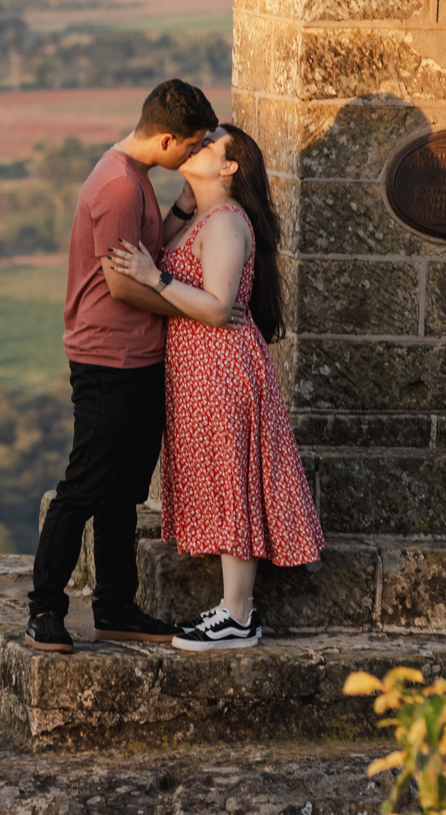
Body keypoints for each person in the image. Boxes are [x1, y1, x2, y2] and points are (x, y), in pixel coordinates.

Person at [108, 123, 324, 652]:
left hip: (223, 368)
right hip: (199, 369)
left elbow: (216, 306)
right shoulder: (203, 216)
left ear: (229, 168)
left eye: (210, 145)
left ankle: (239, 615)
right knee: (220, 474)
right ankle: (232, 610)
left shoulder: (227, 221)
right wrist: (181, 207)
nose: (196, 146)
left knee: (232, 478)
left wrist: (152, 276)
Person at [25, 77, 218, 654]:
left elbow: (147, 258)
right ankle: (44, 610)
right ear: (165, 139)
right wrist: (198, 312)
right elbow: (121, 285)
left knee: (120, 494)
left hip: (137, 357)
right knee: (83, 487)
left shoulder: (135, 180)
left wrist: (183, 210)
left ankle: (114, 606)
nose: (193, 155)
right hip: (109, 360)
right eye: (190, 145)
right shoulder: (118, 188)